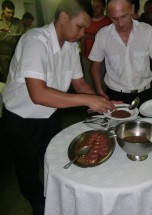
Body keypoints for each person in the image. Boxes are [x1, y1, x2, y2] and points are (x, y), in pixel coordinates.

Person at [2, 0, 115, 214]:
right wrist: (87, 100)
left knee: (52, 160)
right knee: (27, 168)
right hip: (21, 118)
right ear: (63, 17)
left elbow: (80, 83)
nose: (83, 33)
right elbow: (38, 94)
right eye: (80, 26)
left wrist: (104, 103)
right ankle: (38, 203)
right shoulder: (35, 41)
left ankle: (53, 196)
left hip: (51, 113)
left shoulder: (72, 46)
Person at [89, 0, 152, 106]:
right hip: (115, 95)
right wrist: (99, 91)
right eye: (114, 18)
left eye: (124, 16)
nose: (120, 23)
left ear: (132, 9)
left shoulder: (147, 31)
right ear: (108, 14)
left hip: (144, 94)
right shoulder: (103, 35)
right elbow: (95, 66)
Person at [80, 0, 111, 89]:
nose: (94, 9)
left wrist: (89, 35)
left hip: (102, 60)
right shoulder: (86, 20)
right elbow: (83, 39)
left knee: (102, 85)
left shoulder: (108, 22)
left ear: (104, 8)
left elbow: (107, 40)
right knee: (89, 84)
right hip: (87, 58)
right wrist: (82, 56)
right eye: (93, 7)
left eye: (97, 7)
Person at [0, 0, 21, 82]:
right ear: (2, 10)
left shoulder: (17, 23)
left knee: (16, 79)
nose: (11, 15)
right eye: (8, 12)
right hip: (2, 57)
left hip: (15, 56)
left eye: (12, 12)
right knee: (5, 80)